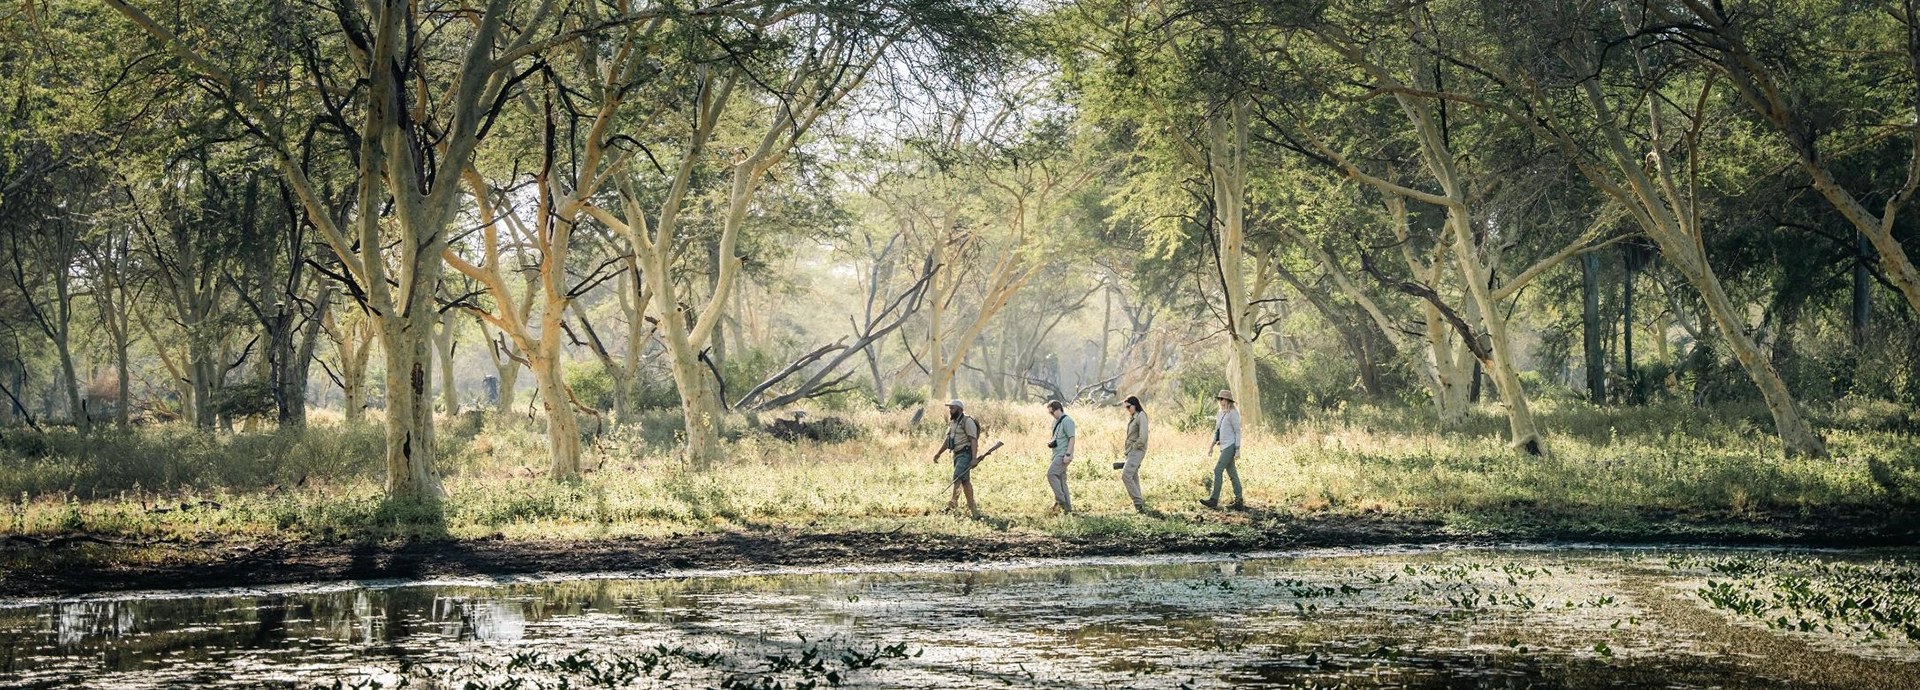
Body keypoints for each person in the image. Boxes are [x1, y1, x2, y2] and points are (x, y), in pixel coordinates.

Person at [931, 399, 981, 516]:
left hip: (965, 453)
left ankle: (953, 505)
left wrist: (974, 458)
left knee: (957, 477)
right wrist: (939, 453)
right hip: (956, 454)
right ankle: (971, 506)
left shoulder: (967, 421)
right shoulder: (953, 423)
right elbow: (948, 439)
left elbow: (973, 439)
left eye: (952, 408)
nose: (950, 410)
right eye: (950, 408)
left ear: (959, 409)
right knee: (965, 481)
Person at [1201, 389, 1244, 509]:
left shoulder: (1233, 414)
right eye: (1219, 399)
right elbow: (1217, 432)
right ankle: (1239, 501)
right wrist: (1211, 446)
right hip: (1223, 446)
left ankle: (1214, 499)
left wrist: (1237, 449)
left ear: (1228, 401)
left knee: (1217, 470)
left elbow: (1237, 432)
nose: (1220, 401)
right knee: (1232, 474)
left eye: (1223, 399)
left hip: (1230, 446)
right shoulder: (1220, 414)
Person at [1045, 399, 1076, 514]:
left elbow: (1072, 438)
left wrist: (1068, 454)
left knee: (1051, 474)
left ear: (1058, 409)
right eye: (1050, 413)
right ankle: (1067, 509)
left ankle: (1060, 501)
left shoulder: (1067, 421)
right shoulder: (1055, 421)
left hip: (1063, 454)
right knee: (1062, 480)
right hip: (1056, 453)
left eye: (1052, 412)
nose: (1051, 415)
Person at [1120, 396, 1150, 513]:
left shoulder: (1141, 416)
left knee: (1126, 475)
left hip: (1137, 450)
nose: (1127, 409)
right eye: (1126, 407)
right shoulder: (1134, 417)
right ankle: (1140, 505)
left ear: (1135, 405)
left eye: (1129, 406)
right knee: (1133, 476)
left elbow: (1143, 436)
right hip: (1131, 451)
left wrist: (1134, 447)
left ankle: (1137, 503)